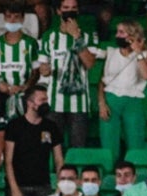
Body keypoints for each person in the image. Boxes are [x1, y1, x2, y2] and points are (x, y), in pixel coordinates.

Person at [38, 0, 101, 148]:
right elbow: (42, 68)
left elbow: (90, 63)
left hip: (79, 103)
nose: (70, 11)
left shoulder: (87, 36)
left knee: (78, 147)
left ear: (78, 11)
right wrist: (45, 70)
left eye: (73, 8)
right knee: (48, 145)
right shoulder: (48, 36)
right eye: (66, 8)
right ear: (59, 11)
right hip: (53, 102)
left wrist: (76, 37)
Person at [5, 85, 64, 196]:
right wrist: (14, 188)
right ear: (30, 103)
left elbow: (59, 159)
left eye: (46, 100)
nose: (46, 103)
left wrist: (59, 185)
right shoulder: (14, 126)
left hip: (43, 186)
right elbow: (8, 161)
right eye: (42, 100)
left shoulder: (51, 126)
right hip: (19, 185)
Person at [98, 20, 147, 161]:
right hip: (111, 99)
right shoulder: (111, 52)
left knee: (135, 142)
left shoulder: (144, 54)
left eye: (121, 32)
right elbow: (102, 81)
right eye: (117, 32)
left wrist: (138, 51)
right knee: (109, 144)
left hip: (133, 101)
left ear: (132, 35)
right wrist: (102, 103)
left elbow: (146, 75)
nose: (117, 35)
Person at [0, 4, 41, 119]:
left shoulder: (30, 43)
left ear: (22, 19)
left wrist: (25, 86)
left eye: (16, 17)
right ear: (4, 18)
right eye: (9, 17)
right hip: (1, 92)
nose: (12, 20)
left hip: (23, 94)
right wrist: (1, 84)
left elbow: (36, 71)